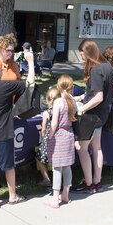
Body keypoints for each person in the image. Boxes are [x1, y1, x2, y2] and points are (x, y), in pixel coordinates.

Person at [0, 48, 35, 209]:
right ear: (0, 68)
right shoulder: (7, 86)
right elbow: (30, 82)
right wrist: (30, 62)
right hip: (5, 132)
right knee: (9, 166)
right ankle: (12, 196)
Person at [73, 39, 113, 193]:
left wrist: (82, 108)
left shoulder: (96, 70)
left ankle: (89, 184)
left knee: (81, 148)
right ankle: (97, 181)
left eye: (82, 53)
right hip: (102, 114)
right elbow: (95, 92)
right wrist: (82, 97)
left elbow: (98, 97)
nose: (81, 56)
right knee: (97, 148)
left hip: (92, 116)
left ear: (88, 52)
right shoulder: (107, 66)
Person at [44, 81, 77, 209]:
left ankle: (55, 198)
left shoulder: (58, 102)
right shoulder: (72, 101)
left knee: (57, 168)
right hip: (69, 134)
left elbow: (54, 123)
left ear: (59, 87)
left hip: (59, 136)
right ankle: (65, 195)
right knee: (67, 166)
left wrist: (49, 136)